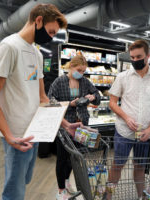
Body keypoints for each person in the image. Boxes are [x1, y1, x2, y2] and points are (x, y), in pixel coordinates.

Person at [0, 4, 80, 200]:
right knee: (14, 190)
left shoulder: (36, 53)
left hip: (35, 130)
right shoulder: (9, 46)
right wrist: (9, 136)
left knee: (25, 179)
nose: (51, 37)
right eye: (51, 31)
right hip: (17, 134)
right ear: (38, 21)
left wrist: (64, 123)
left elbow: (42, 97)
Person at [106, 40, 150, 199]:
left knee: (140, 168)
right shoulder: (123, 77)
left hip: (146, 134)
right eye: (132, 57)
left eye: (139, 57)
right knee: (117, 166)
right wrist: (126, 117)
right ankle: (107, 197)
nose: (135, 60)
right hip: (123, 132)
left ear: (148, 56)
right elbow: (112, 103)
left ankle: (141, 197)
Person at [48, 55, 101, 200]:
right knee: (62, 157)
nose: (81, 74)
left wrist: (93, 97)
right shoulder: (59, 82)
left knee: (75, 157)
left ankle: (66, 182)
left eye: (83, 71)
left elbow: (97, 95)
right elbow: (50, 100)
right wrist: (69, 104)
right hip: (64, 124)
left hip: (81, 125)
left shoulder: (85, 82)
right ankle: (60, 190)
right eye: (79, 70)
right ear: (71, 66)